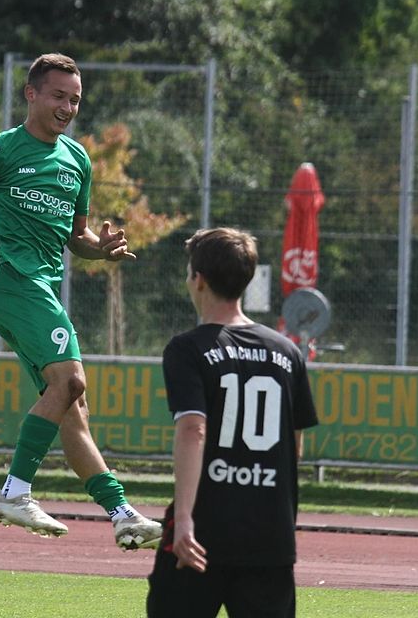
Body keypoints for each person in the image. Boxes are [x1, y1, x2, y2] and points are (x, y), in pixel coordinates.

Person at [0, 52, 162, 550]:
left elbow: (77, 236)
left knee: (73, 405)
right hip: (15, 283)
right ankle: (15, 490)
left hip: (41, 291)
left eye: (75, 99)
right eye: (58, 96)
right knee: (71, 380)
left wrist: (102, 250)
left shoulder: (77, 161)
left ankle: (121, 514)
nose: (67, 107)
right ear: (31, 94)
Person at [146, 228, 320, 618]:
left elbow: (193, 429)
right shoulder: (287, 353)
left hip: (203, 533)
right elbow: (293, 447)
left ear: (199, 279)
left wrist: (185, 520)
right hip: (269, 537)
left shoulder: (188, 348)